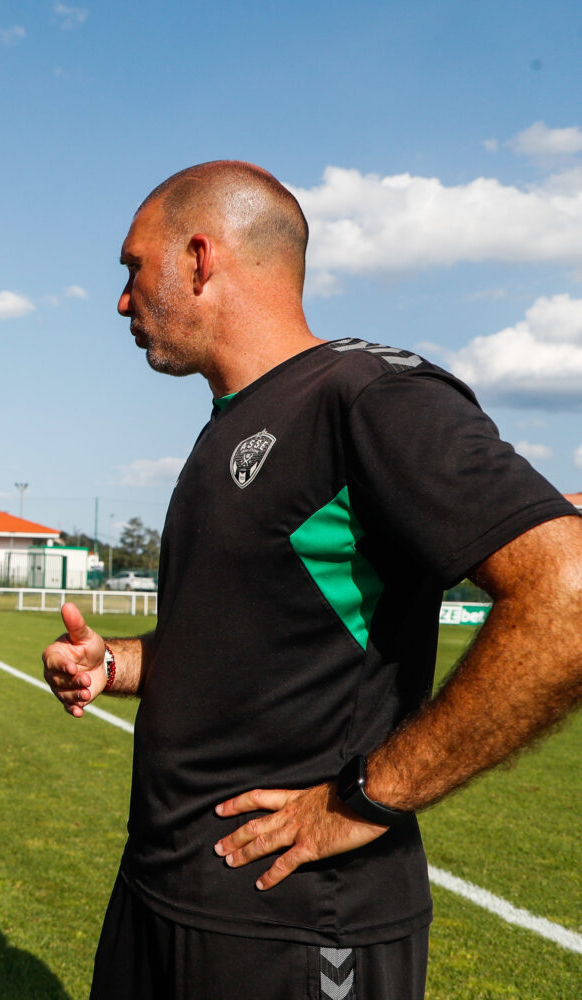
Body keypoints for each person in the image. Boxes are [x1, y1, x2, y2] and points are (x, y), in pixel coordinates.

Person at [43, 160, 582, 999]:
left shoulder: (368, 395)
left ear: (198, 257)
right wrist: (116, 663)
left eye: (131, 268)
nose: (122, 300)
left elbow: (568, 594)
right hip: (162, 896)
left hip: (293, 927)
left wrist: (370, 795)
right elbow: (245, 640)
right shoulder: (233, 424)